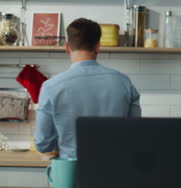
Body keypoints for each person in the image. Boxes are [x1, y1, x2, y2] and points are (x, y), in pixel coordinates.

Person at [34, 18, 141, 159]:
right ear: (97, 47)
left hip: (72, 173)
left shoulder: (51, 87)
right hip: (117, 172)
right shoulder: (123, 82)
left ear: (67, 47)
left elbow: (43, 144)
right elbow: (136, 135)